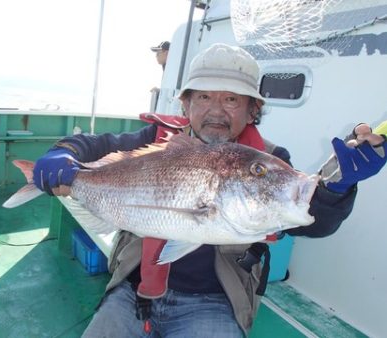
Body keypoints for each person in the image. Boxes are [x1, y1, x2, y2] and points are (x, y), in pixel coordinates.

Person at [33, 43, 387, 337]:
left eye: (232, 100)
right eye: (203, 96)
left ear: (252, 110)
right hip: (134, 287)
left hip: (214, 300)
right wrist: (64, 153)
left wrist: (337, 188)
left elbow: (313, 220)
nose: (216, 110)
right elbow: (92, 144)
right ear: (185, 105)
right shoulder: (153, 142)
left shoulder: (271, 160)